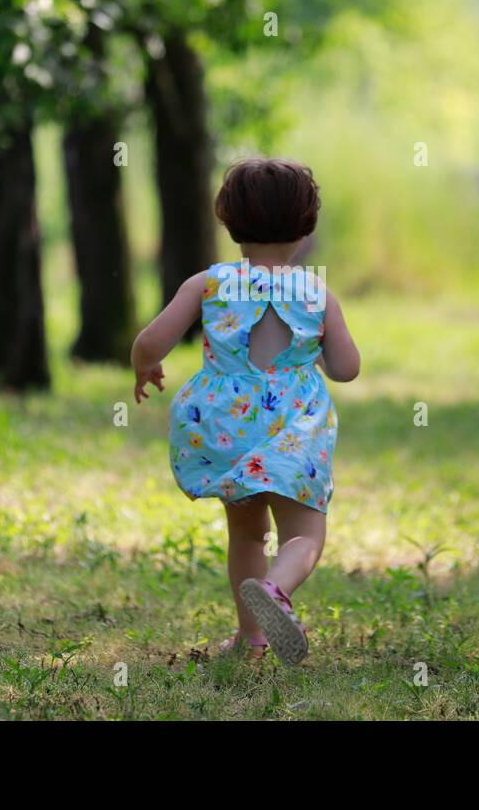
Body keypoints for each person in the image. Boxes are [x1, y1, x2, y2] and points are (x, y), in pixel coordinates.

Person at [131, 157, 360, 664]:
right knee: (303, 533)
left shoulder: (207, 284)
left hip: (225, 427)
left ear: (229, 221)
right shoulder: (317, 293)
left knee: (247, 533)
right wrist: (314, 348)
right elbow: (347, 368)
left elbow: (151, 340)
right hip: (292, 429)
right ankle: (278, 589)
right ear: (306, 226)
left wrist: (144, 368)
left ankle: (252, 639)